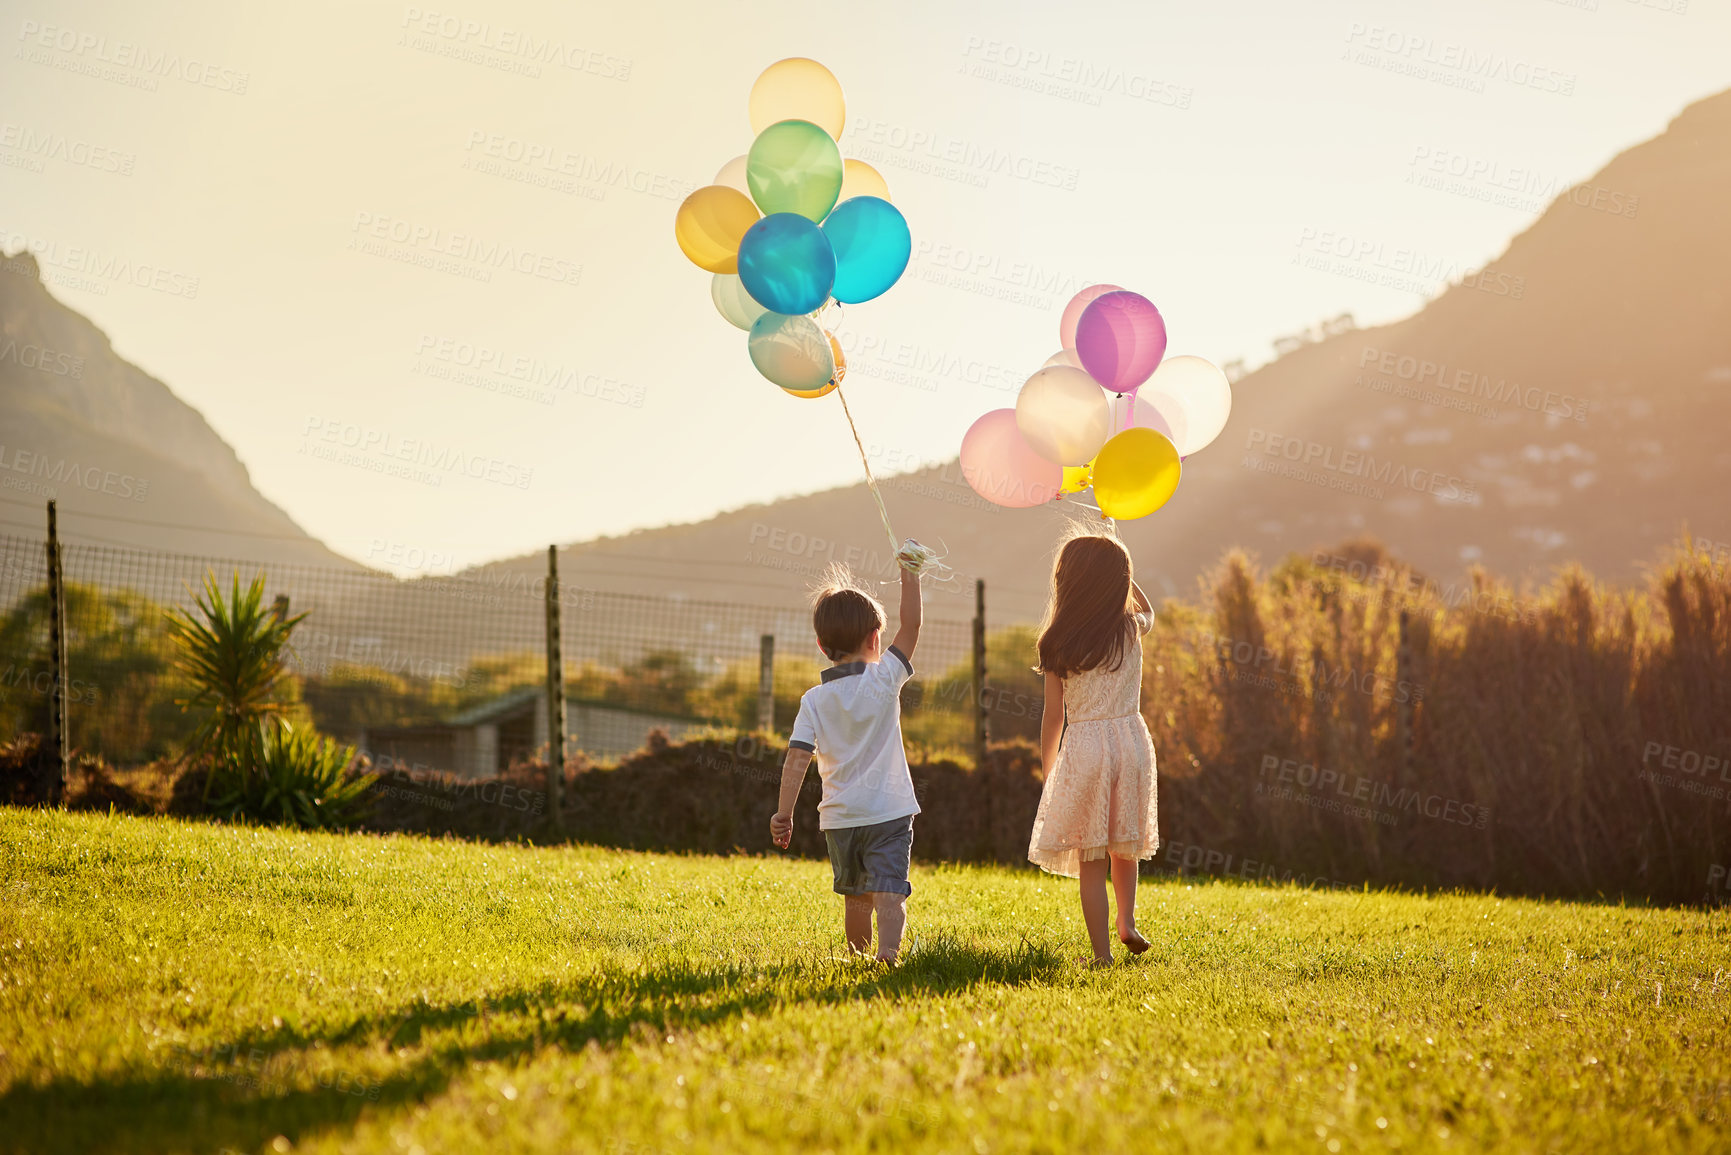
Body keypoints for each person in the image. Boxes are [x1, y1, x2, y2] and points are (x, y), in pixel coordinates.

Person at [771, 552, 924, 964]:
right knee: (889, 888)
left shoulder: (814, 700)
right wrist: (910, 575)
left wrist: (784, 813)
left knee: (855, 896)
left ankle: (856, 958)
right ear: (876, 639)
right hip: (889, 811)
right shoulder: (886, 677)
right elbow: (912, 625)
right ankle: (888, 953)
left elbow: (796, 759)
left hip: (840, 818)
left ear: (821, 646)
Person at [1027, 529, 1160, 966]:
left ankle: (1101, 954)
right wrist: (1125, 560)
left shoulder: (1057, 642)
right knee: (1126, 841)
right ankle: (1128, 921)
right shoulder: (1130, 629)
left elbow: (1053, 717)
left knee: (1091, 860)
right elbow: (1149, 610)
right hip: (1132, 745)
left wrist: (1051, 771)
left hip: (1086, 749)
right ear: (1118, 583)